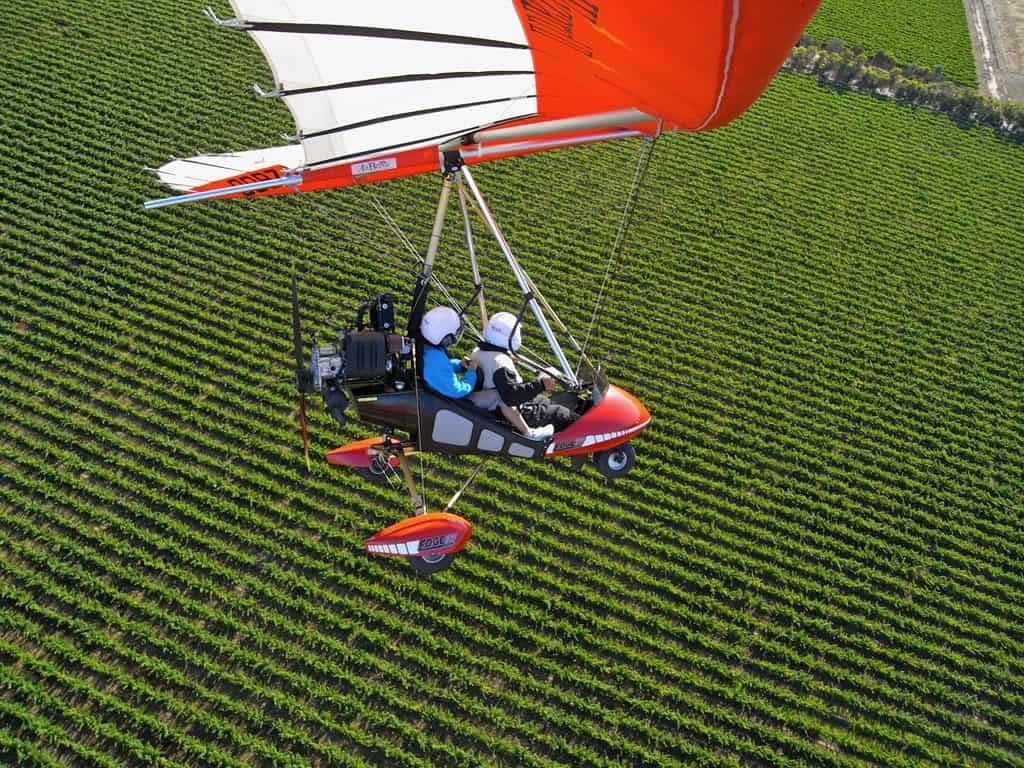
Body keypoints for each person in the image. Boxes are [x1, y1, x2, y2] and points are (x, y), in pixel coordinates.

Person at [469, 311, 576, 436]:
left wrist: (507, 356)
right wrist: (541, 384)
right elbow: (510, 397)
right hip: (508, 413)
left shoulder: (478, 351)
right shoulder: (501, 362)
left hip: (496, 402)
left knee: (546, 401)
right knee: (564, 415)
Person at [419, 306, 478, 399]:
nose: (453, 339)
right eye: (452, 336)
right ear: (443, 336)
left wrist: (459, 364)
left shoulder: (426, 347)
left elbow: (440, 369)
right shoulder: (436, 359)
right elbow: (456, 390)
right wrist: (471, 373)